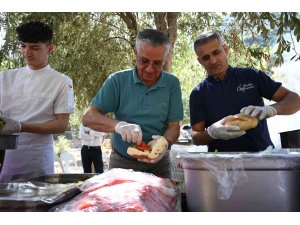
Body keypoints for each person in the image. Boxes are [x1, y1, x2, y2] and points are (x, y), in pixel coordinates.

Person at [82, 29, 183, 178]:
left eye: (157, 63)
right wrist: (118, 125)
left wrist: (165, 143)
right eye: (144, 61)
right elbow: (88, 117)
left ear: (165, 58)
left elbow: (174, 126)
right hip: (122, 164)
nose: (150, 69)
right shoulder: (117, 81)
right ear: (135, 53)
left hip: (159, 166)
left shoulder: (172, 84)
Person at [189, 31, 300, 152]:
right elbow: (196, 137)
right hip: (221, 164)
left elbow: (295, 100)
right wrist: (212, 132)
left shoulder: (251, 76)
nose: (213, 61)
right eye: (206, 58)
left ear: (225, 49)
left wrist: (271, 109)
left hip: (262, 157)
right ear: (200, 61)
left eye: (216, 52)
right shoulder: (198, 93)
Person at [0, 21, 75, 182]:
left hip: (36, 159)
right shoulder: (4, 77)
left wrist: (21, 126)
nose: (27, 53)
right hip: (4, 156)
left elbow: (61, 125)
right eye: (23, 46)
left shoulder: (61, 81)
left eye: (34, 48)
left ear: (50, 49)